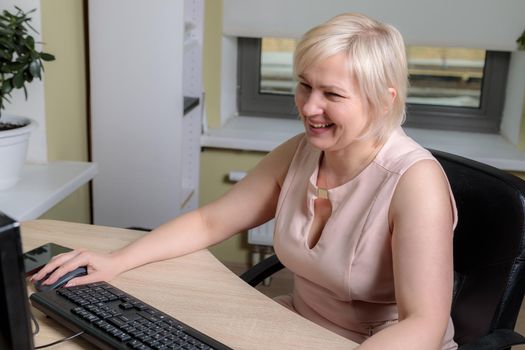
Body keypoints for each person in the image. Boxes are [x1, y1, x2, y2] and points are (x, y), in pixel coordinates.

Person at [33, 13, 457, 349]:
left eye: (332, 95)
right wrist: (118, 260)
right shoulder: (303, 150)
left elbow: (424, 324)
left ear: (384, 99)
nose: (310, 107)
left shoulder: (416, 183)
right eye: (305, 86)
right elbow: (210, 223)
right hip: (291, 325)